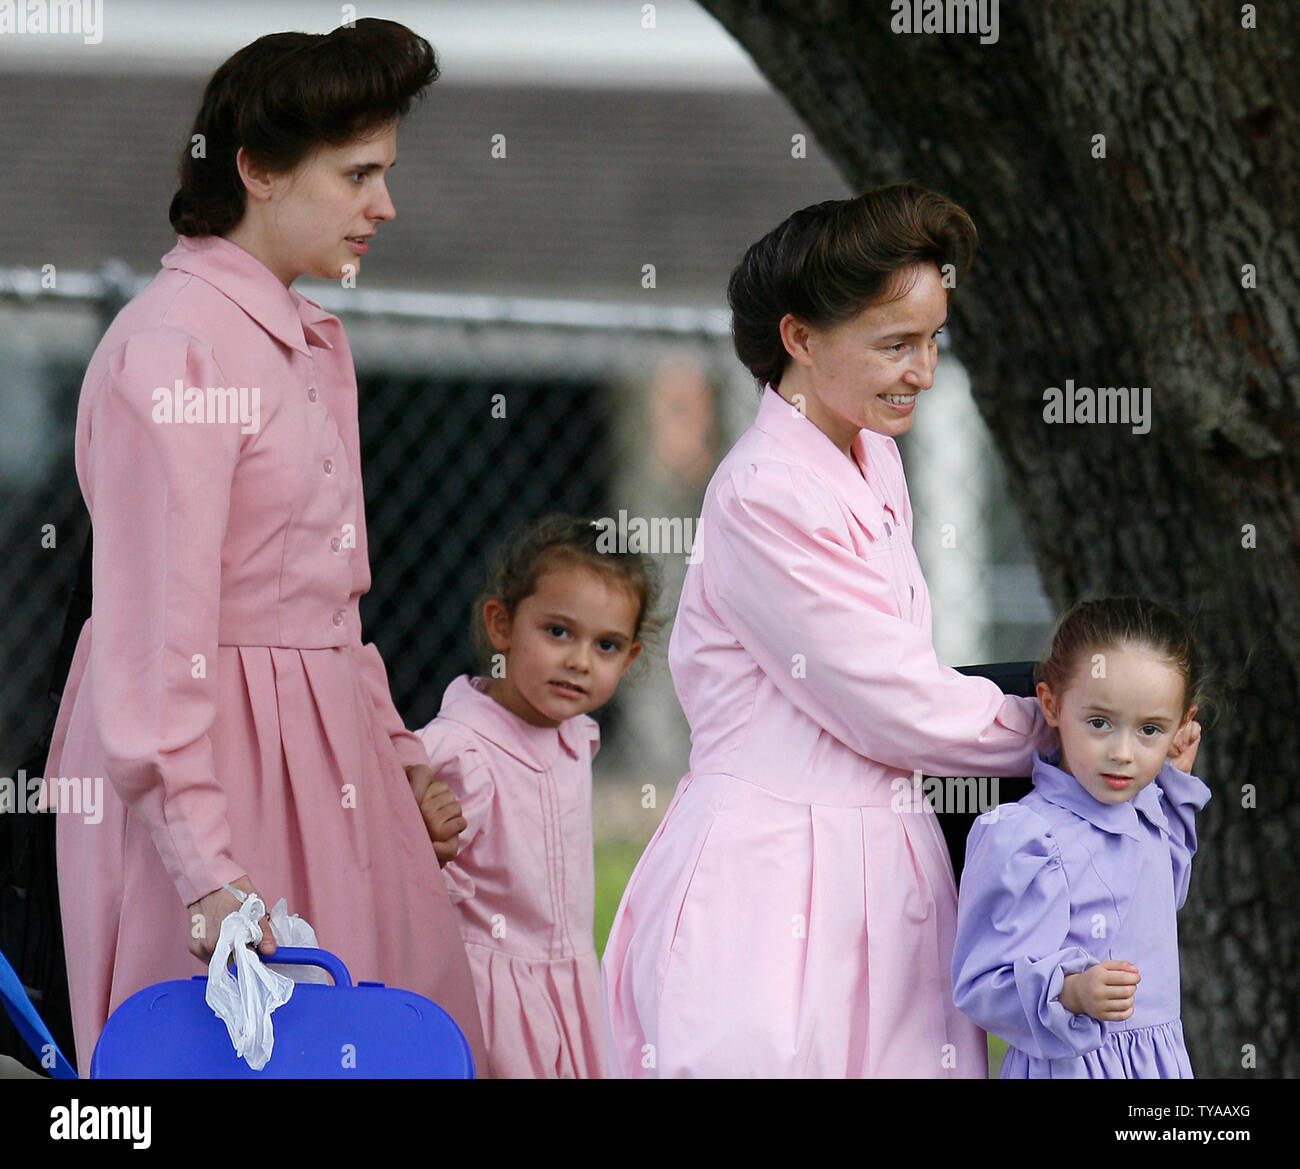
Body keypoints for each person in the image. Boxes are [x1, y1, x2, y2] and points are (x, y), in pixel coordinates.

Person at [43, 19, 487, 1073]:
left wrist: (397, 757)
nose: (384, 204)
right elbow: (156, 638)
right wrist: (204, 869)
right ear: (255, 168)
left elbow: (332, 601)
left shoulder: (305, 335)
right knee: (224, 1049)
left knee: (382, 1037)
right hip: (206, 774)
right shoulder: (174, 345)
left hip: (326, 752)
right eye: (357, 173)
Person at [601, 184, 1062, 1078]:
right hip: (770, 876)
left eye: (933, 340)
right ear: (800, 338)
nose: (923, 371)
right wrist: (1066, 732)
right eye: (895, 344)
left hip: (880, 855)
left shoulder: (871, 453)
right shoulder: (765, 489)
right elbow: (890, 700)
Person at [416, 516, 657, 1077]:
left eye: (606, 645)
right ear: (501, 625)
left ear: (630, 658)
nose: (579, 660)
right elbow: (410, 875)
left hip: (567, 986)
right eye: (557, 632)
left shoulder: (575, 735)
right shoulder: (461, 751)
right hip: (489, 998)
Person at [952, 597, 1208, 1078]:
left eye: (1149, 729)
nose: (1123, 752)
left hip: (1155, 1064)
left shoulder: (1148, 809)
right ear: (1051, 704)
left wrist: (1173, 782)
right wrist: (1069, 991)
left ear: (1180, 726)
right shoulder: (1028, 838)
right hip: (1071, 1065)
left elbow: (1162, 897)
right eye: (1099, 723)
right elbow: (980, 982)